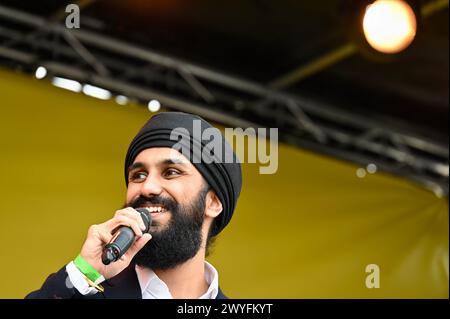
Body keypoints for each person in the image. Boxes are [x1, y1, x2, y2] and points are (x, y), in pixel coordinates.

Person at [26, 112, 242, 299]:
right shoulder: (85, 290)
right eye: (138, 175)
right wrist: (83, 272)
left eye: (171, 172)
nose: (148, 187)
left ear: (213, 202)